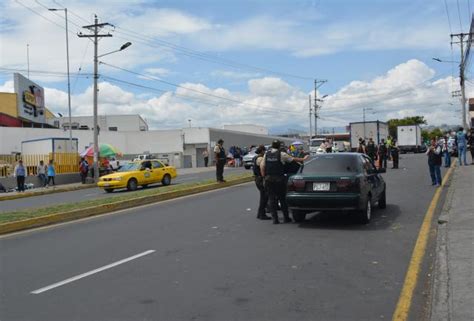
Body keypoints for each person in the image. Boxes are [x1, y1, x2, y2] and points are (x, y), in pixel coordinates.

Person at [260, 140, 309, 224]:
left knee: (272, 199)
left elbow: (262, 166)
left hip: (269, 179)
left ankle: (275, 219)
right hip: (279, 179)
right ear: (279, 146)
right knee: (282, 198)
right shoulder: (282, 154)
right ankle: (286, 218)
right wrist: (304, 159)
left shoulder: (266, 154)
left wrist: (264, 177)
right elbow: (293, 159)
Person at [253, 145, 271, 220]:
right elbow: (263, 168)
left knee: (263, 197)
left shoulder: (255, 157)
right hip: (261, 179)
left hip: (258, 179)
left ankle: (259, 213)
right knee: (264, 198)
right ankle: (262, 214)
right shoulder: (260, 159)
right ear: (262, 151)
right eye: (264, 151)